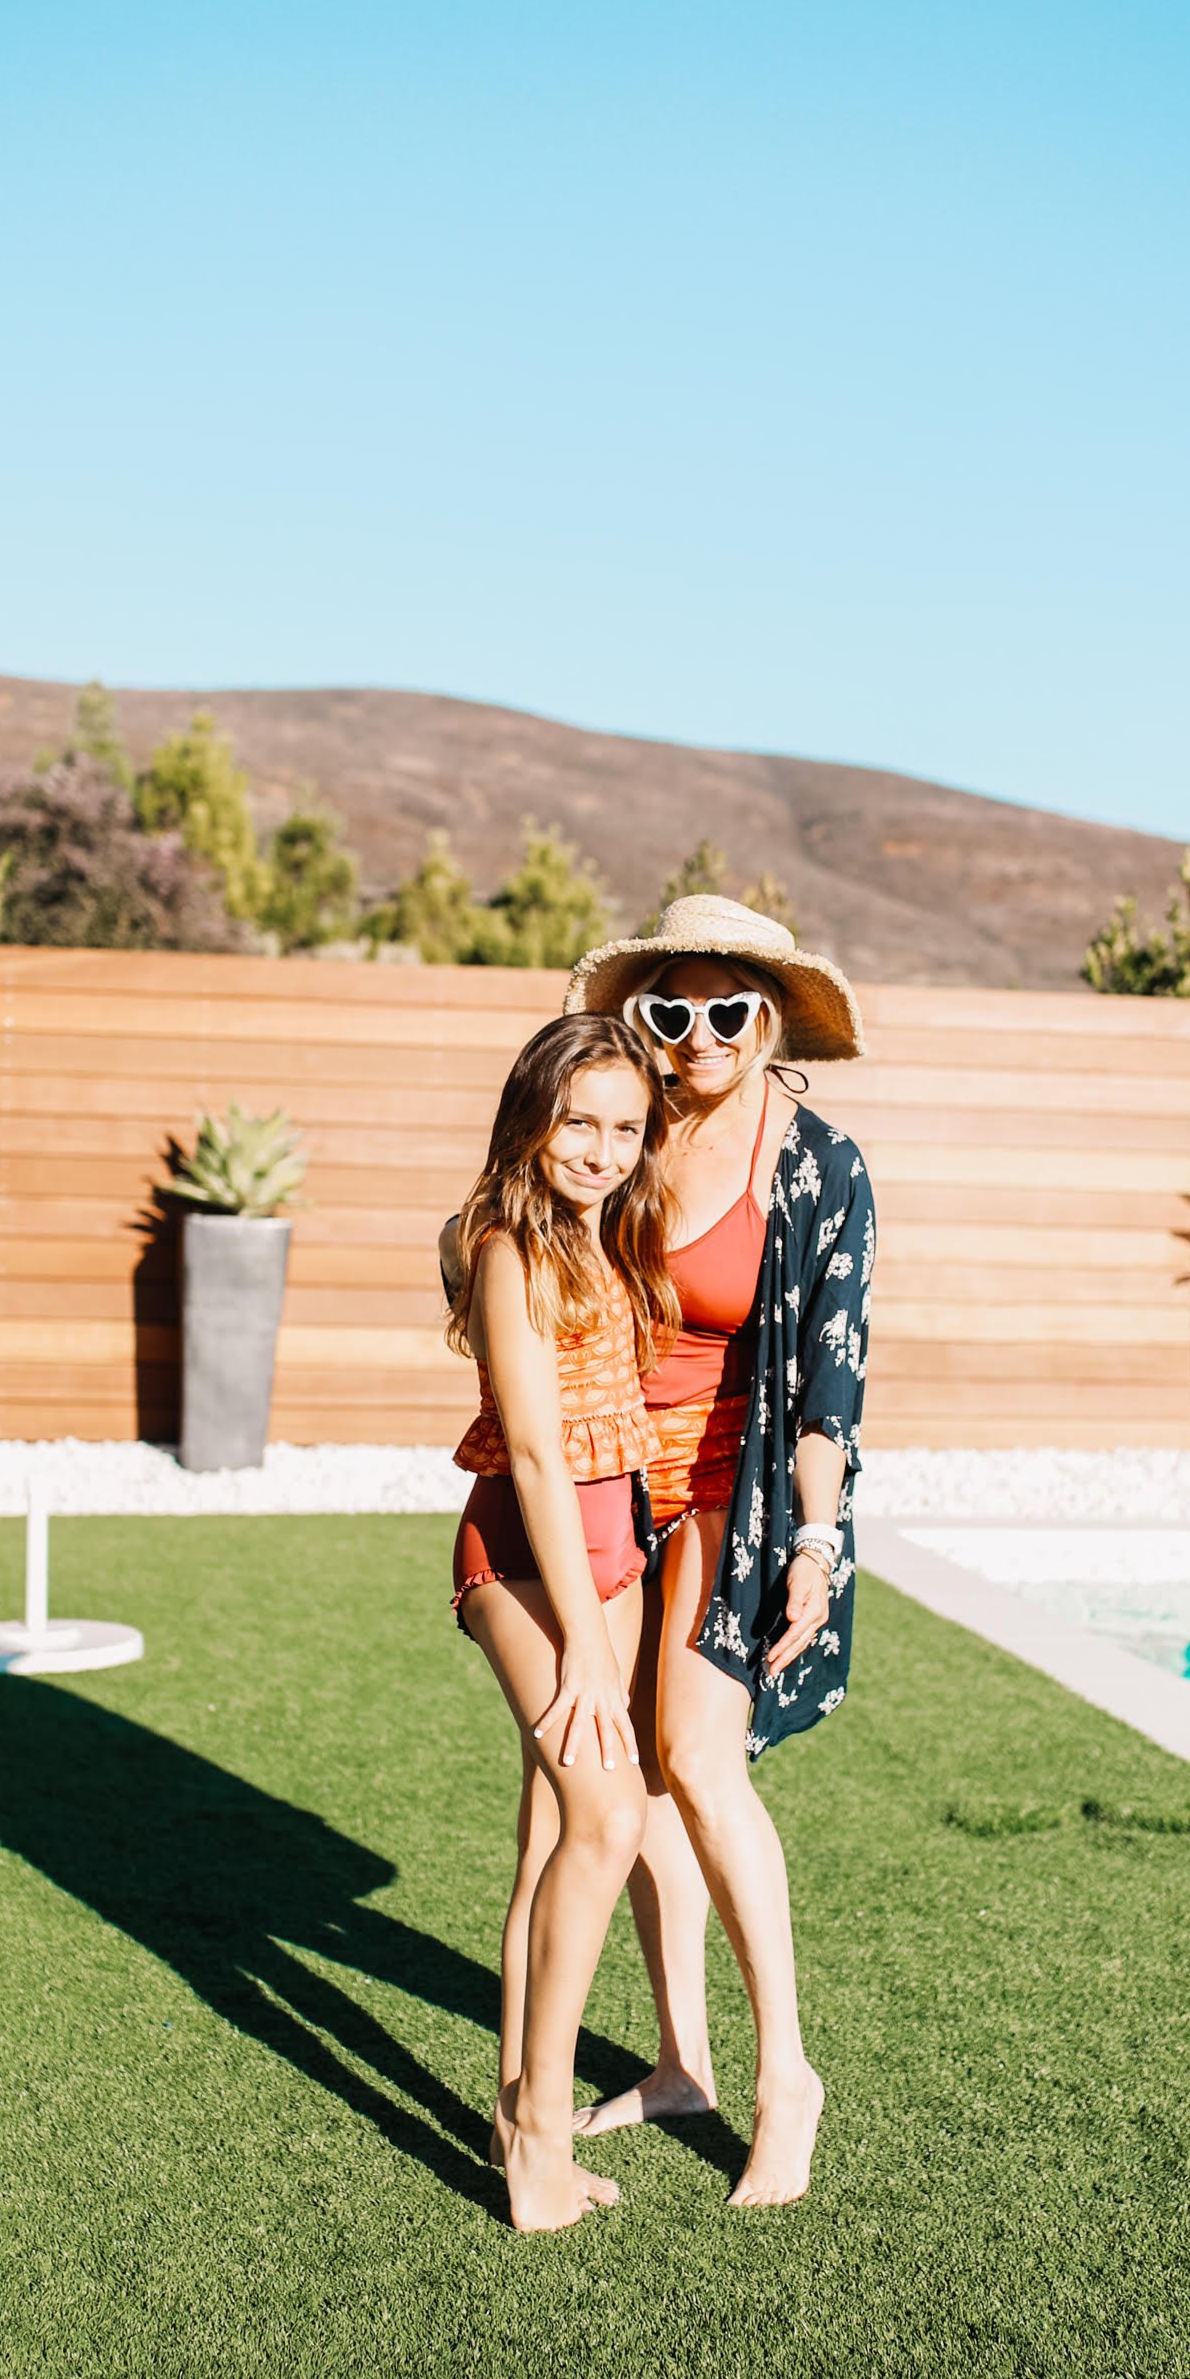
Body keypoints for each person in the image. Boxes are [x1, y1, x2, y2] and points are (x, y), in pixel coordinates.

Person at [562, 894, 875, 2208]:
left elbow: (828, 1377)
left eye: (726, 1012)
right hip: (612, 1474)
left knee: (696, 1755)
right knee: (626, 1785)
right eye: (671, 1010)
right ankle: (679, 2059)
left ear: (770, 1020)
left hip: (732, 1492)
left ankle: (784, 2078)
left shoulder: (815, 1165)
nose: (697, 1036)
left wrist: (813, 1541)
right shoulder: (629, 1124)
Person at [446, 1011, 680, 2232]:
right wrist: (587, 1637)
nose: (599, 1148)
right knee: (608, 1813)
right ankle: (537, 2143)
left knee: (551, 1832)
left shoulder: (605, 1235)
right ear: (532, 1117)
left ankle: (512, 2110)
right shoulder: (505, 1248)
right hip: (531, 1564)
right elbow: (534, 1454)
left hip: (613, 1549)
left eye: (625, 1128)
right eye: (578, 1121)